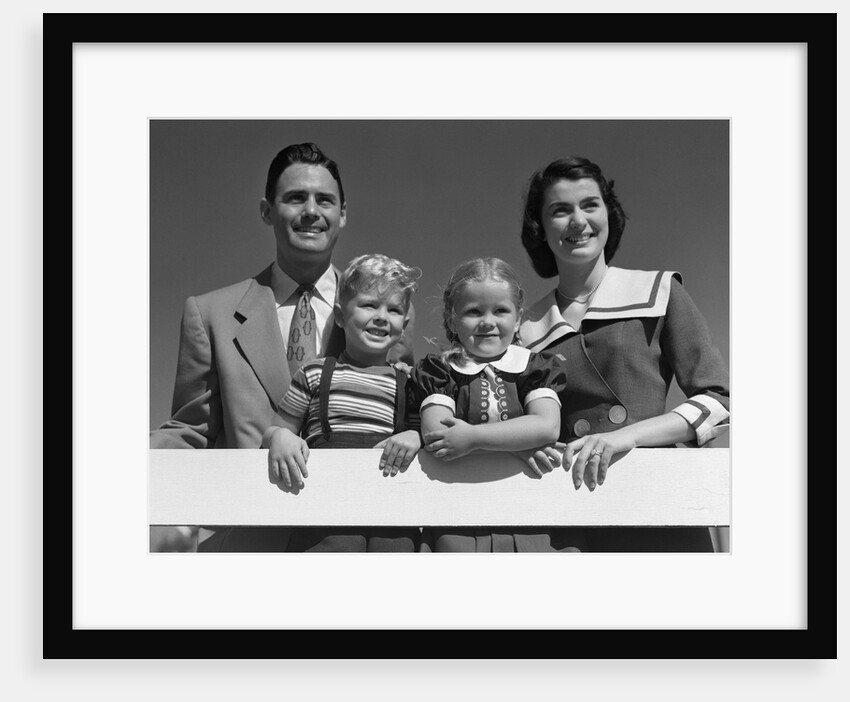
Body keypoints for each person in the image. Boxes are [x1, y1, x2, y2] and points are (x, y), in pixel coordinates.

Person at [150, 143, 414, 552]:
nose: (311, 210)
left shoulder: (388, 321)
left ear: (342, 214)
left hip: (357, 542)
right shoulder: (210, 313)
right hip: (248, 548)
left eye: (324, 200)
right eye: (295, 198)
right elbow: (190, 431)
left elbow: (404, 419)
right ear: (267, 211)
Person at [518, 156, 730, 552]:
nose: (578, 220)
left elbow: (719, 401)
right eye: (560, 211)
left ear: (608, 216)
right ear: (541, 229)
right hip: (564, 517)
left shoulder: (660, 292)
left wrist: (626, 437)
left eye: (589, 205)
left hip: (661, 506)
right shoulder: (522, 329)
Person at [409, 257, 582, 552]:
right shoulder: (440, 370)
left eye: (501, 310)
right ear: (452, 318)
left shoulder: (534, 367)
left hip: (530, 513)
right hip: (458, 513)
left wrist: (474, 437)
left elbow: (546, 426)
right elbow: (439, 434)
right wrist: (518, 442)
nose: (488, 321)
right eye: (473, 311)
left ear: (517, 319)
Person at [262, 253, 423, 552]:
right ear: (339, 315)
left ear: (404, 323)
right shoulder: (314, 373)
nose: (381, 316)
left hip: (393, 519)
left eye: (394, 309)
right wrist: (281, 436)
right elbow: (274, 431)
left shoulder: (411, 383)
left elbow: (426, 439)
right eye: (369, 305)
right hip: (323, 516)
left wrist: (416, 436)